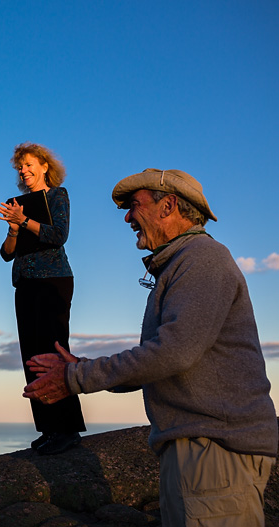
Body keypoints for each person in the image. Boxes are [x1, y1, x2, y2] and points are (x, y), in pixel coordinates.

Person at [23, 169, 277, 526]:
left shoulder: (202, 258)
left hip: (214, 450)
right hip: (200, 448)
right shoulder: (182, 262)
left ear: (168, 205)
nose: (127, 217)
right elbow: (165, 358)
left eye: (134, 205)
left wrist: (76, 377)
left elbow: (173, 352)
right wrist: (80, 366)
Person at [0, 142, 86, 455]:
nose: (24, 171)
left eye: (29, 164)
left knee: (53, 351)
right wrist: (13, 229)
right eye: (20, 167)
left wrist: (25, 222)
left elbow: (58, 235)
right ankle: (48, 428)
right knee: (32, 355)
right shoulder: (18, 205)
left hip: (53, 281)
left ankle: (67, 428)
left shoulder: (58, 196)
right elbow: (6, 254)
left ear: (44, 166)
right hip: (25, 283)